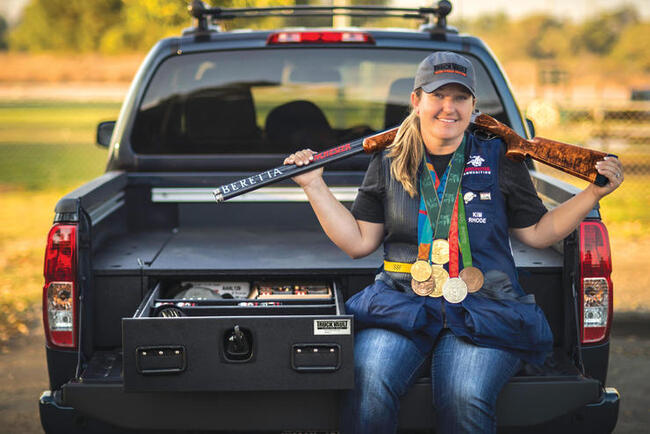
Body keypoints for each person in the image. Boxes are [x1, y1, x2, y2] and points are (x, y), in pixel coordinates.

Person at [283, 51, 623, 434]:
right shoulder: (388, 160)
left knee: (463, 394)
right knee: (368, 379)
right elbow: (359, 242)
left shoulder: (502, 156)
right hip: (401, 304)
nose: (449, 107)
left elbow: (537, 233)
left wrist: (592, 195)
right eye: (437, 95)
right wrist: (313, 185)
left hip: (486, 306)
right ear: (417, 100)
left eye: (459, 97)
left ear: (474, 105)